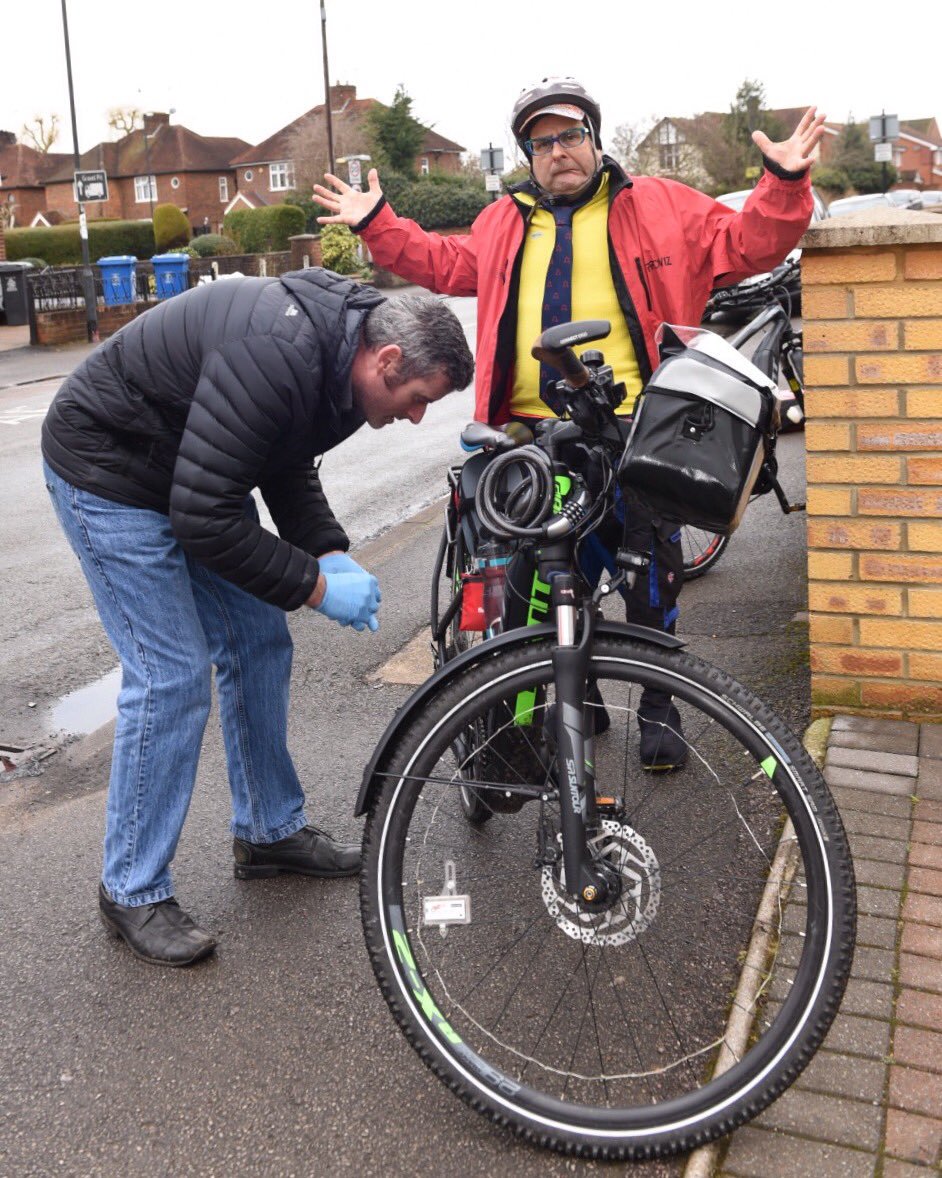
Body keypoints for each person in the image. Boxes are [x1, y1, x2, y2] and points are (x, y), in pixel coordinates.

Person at [313, 78, 825, 771]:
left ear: (594, 137)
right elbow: (441, 261)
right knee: (551, 577)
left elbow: (750, 241)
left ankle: (658, 705)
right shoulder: (503, 222)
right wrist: (379, 224)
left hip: (632, 424)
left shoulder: (658, 206)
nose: (558, 151)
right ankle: (575, 692)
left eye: (570, 135)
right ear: (527, 154)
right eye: (542, 141)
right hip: (528, 430)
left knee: (649, 566)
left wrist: (784, 181)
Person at [41, 268, 474, 967]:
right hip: (109, 472)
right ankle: (131, 887)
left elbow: (284, 455)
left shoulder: (338, 354)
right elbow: (204, 520)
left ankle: (269, 833)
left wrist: (328, 551)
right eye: (418, 399)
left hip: (191, 471)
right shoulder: (278, 349)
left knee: (259, 642)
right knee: (170, 674)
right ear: (387, 359)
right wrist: (311, 585)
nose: (417, 416)